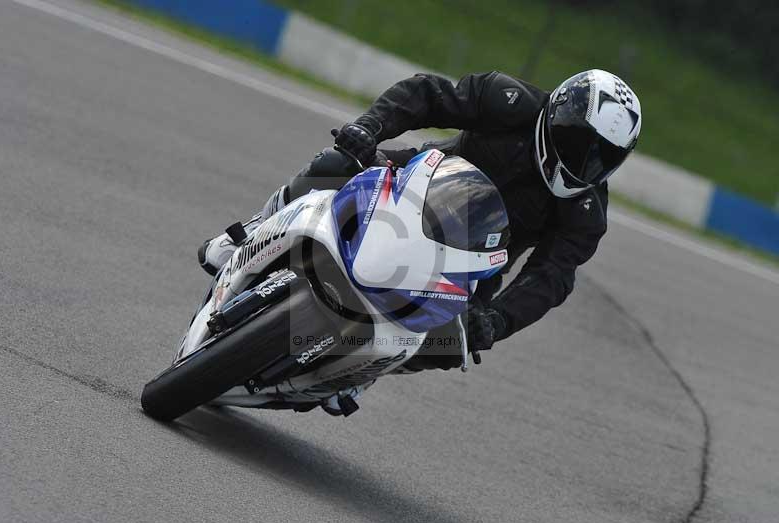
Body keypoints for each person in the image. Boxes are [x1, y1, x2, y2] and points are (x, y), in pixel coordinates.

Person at [199, 69, 642, 368]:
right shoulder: (507, 101)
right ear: (558, 114)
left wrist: (499, 319)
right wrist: (368, 127)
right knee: (337, 163)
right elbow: (426, 95)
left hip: (472, 265)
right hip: (411, 185)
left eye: (602, 158)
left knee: (454, 343)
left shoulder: (585, 216)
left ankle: (354, 370)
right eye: (578, 143)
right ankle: (250, 234)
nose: (585, 162)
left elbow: (551, 277)